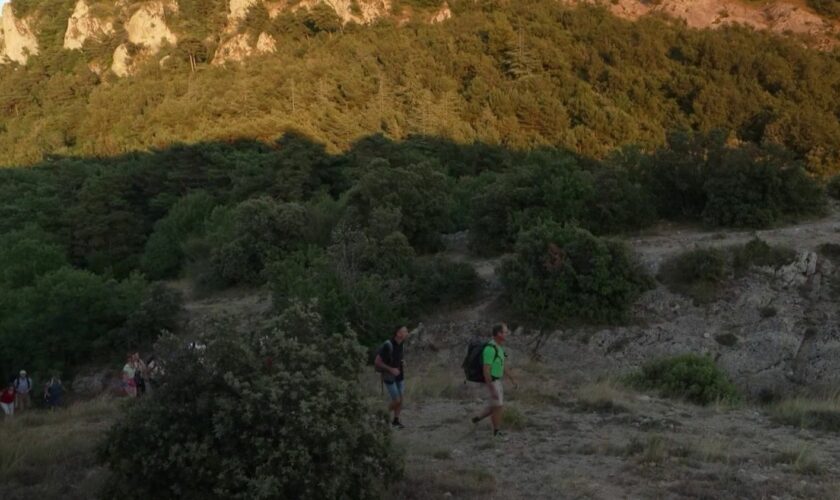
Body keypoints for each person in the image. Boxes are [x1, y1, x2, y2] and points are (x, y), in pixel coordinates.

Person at [471, 323, 517, 438]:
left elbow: (504, 365)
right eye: (505, 332)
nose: (507, 334)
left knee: (494, 406)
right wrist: (491, 387)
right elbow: (486, 370)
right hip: (492, 381)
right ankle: (496, 432)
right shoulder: (490, 349)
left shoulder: (499, 347)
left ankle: (476, 419)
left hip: (497, 381)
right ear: (498, 334)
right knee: (498, 406)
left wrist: (512, 380)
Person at [374, 325, 409, 429]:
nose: (407, 333)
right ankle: (381, 416)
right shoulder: (388, 345)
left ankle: (396, 421)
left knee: (401, 399)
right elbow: (377, 362)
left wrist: (402, 361)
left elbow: (397, 355)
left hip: (400, 374)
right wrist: (391, 369)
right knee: (397, 400)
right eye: (405, 331)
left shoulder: (401, 343)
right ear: (398, 334)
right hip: (389, 376)